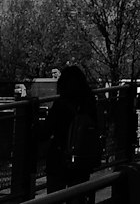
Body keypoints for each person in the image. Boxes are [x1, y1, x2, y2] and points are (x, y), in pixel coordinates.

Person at [43, 64, 100, 197]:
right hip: (82, 160)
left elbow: (45, 131)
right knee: (79, 195)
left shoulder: (60, 105)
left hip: (59, 159)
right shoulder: (89, 104)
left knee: (54, 197)